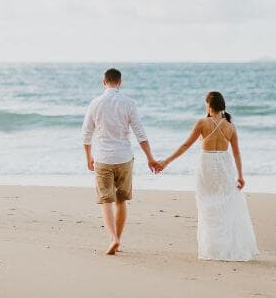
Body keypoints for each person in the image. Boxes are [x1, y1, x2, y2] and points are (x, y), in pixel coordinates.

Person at [157, 91, 258, 261]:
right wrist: (240, 175)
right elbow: (237, 153)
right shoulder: (230, 126)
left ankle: (213, 249)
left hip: (207, 165)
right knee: (226, 205)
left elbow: (185, 145)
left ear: (209, 105)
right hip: (225, 166)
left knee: (207, 205)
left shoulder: (202, 123)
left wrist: (166, 161)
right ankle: (227, 247)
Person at [82, 68, 160, 255]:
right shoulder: (128, 103)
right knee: (121, 200)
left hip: (103, 158)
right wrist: (150, 158)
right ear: (120, 82)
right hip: (124, 157)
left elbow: (86, 135)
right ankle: (119, 239)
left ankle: (113, 238)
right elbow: (140, 134)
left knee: (106, 201)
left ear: (104, 82)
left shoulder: (95, 103)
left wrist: (88, 158)